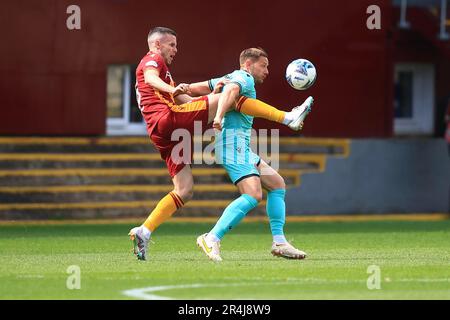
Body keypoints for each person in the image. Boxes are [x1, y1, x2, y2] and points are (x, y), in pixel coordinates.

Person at [129, 27, 312, 260]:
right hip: (169, 120)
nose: (176, 49)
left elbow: (187, 98)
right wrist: (212, 111)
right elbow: (151, 79)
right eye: (172, 45)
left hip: (161, 132)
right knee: (234, 101)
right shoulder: (152, 59)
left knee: (185, 190)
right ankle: (287, 117)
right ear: (156, 45)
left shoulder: (175, 74)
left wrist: (200, 94)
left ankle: (144, 231)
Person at [196, 48, 312, 262]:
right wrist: (219, 116)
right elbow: (230, 90)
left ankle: (279, 242)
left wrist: (182, 88)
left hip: (241, 147)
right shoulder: (244, 77)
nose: (267, 71)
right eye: (264, 66)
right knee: (253, 195)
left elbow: (206, 85)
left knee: (277, 184)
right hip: (232, 145)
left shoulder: (232, 76)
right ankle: (211, 237)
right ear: (248, 64)